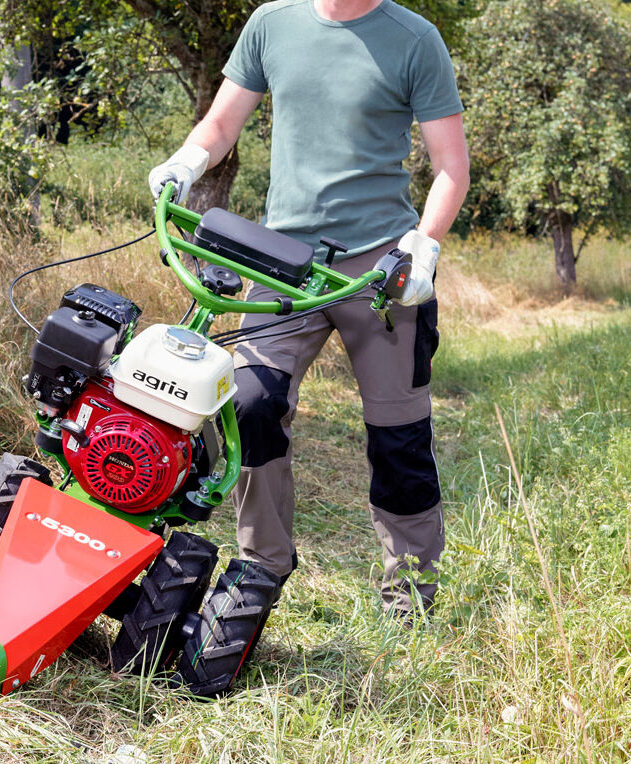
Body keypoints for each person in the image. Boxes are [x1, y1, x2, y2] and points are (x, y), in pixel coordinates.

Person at [148, 0, 469, 623]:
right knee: (248, 405)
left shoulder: (414, 39)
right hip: (283, 262)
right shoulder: (272, 23)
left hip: (382, 270)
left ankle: (411, 601)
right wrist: (186, 163)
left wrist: (423, 245)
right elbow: (219, 126)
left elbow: (450, 166)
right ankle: (262, 567)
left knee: (399, 440)